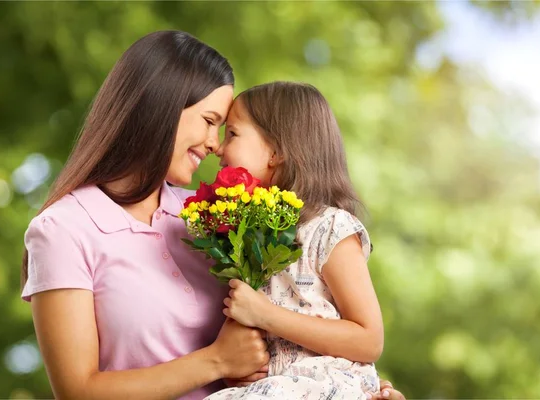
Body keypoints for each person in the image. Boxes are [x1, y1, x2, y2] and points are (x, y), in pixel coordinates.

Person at [21, 30, 404, 400]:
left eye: (224, 130)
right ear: (161, 107)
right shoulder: (62, 230)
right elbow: (77, 391)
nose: (214, 145)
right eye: (209, 122)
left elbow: (301, 323)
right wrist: (215, 361)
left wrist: (355, 387)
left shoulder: (214, 215)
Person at [205, 81, 385, 399]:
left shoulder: (331, 229)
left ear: (276, 152)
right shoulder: (248, 236)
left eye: (231, 134)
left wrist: (266, 316)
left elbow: (369, 340)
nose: (219, 148)